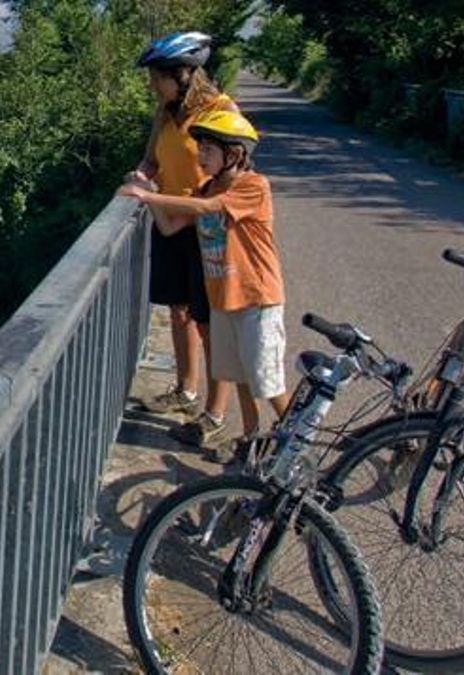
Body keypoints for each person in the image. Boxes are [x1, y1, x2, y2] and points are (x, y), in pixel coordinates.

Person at [119, 110, 291, 462]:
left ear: (235, 154)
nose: (201, 157)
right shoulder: (206, 186)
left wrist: (149, 197)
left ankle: (297, 444)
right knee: (242, 375)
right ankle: (251, 438)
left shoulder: (252, 186)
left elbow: (211, 207)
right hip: (224, 300)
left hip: (256, 298)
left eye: (209, 150)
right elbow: (169, 228)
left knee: (267, 379)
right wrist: (150, 193)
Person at [128, 31, 237, 447]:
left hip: (204, 228)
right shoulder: (166, 113)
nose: (154, 84)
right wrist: (141, 178)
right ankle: (186, 390)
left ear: (186, 74)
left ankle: (215, 413)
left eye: (159, 76)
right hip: (171, 222)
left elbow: (235, 174)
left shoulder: (219, 110)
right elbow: (151, 160)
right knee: (179, 312)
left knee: (210, 323)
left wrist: (199, 204)